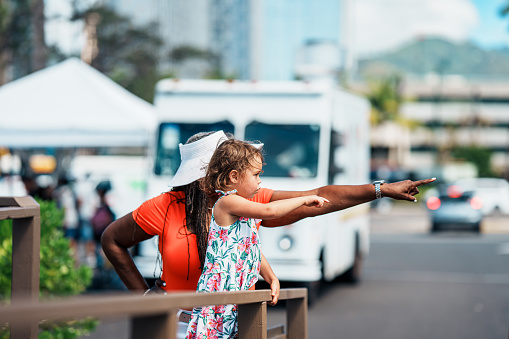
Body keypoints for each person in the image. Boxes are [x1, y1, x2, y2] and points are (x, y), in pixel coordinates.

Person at [101, 130, 435, 295]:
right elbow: (112, 240)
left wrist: (380, 189)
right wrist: (143, 295)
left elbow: (318, 196)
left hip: (232, 320)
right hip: (177, 324)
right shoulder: (165, 205)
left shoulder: (248, 202)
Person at [185, 139, 328, 338]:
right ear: (234, 176)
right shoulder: (227, 202)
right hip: (221, 292)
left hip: (237, 292)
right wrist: (305, 199)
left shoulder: (241, 205)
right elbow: (269, 210)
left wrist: (270, 277)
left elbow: (251, 249)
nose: (260, 180)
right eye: (256, 174)